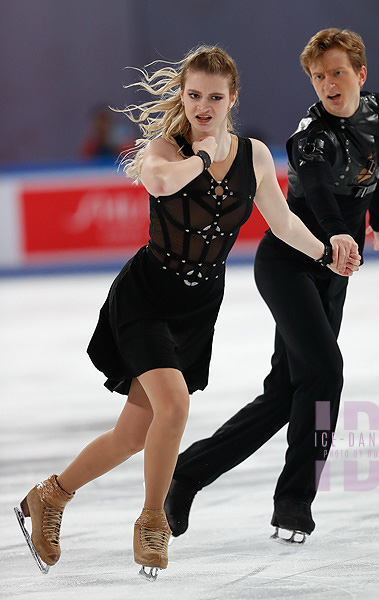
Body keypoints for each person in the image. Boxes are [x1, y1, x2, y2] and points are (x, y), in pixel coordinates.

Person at [15, 46, 359, 581]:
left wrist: (327, 253)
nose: (203, 106)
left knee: (133, 434)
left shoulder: (256, 157)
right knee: (172, 406)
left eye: (214, 98)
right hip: (146, 298)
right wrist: (199, 156)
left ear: (232, 100)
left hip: (198, 309)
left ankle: (50, 496)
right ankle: (153, 521)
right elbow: (157, 181)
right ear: (183, 95)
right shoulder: (165, 149)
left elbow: (283, 223)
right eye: (194, 95)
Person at [165, 29, 379, 544]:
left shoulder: (377, 109)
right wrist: (336, 235)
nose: (329, 84)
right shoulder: (309, 137)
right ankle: (294, 500)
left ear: (360, 74)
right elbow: (314, 192)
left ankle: (188, 473)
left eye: (337, 72)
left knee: (285, 392)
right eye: (318, 76)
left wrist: (378, 218)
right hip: (289, 264)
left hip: (335, 269)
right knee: (326, 372)